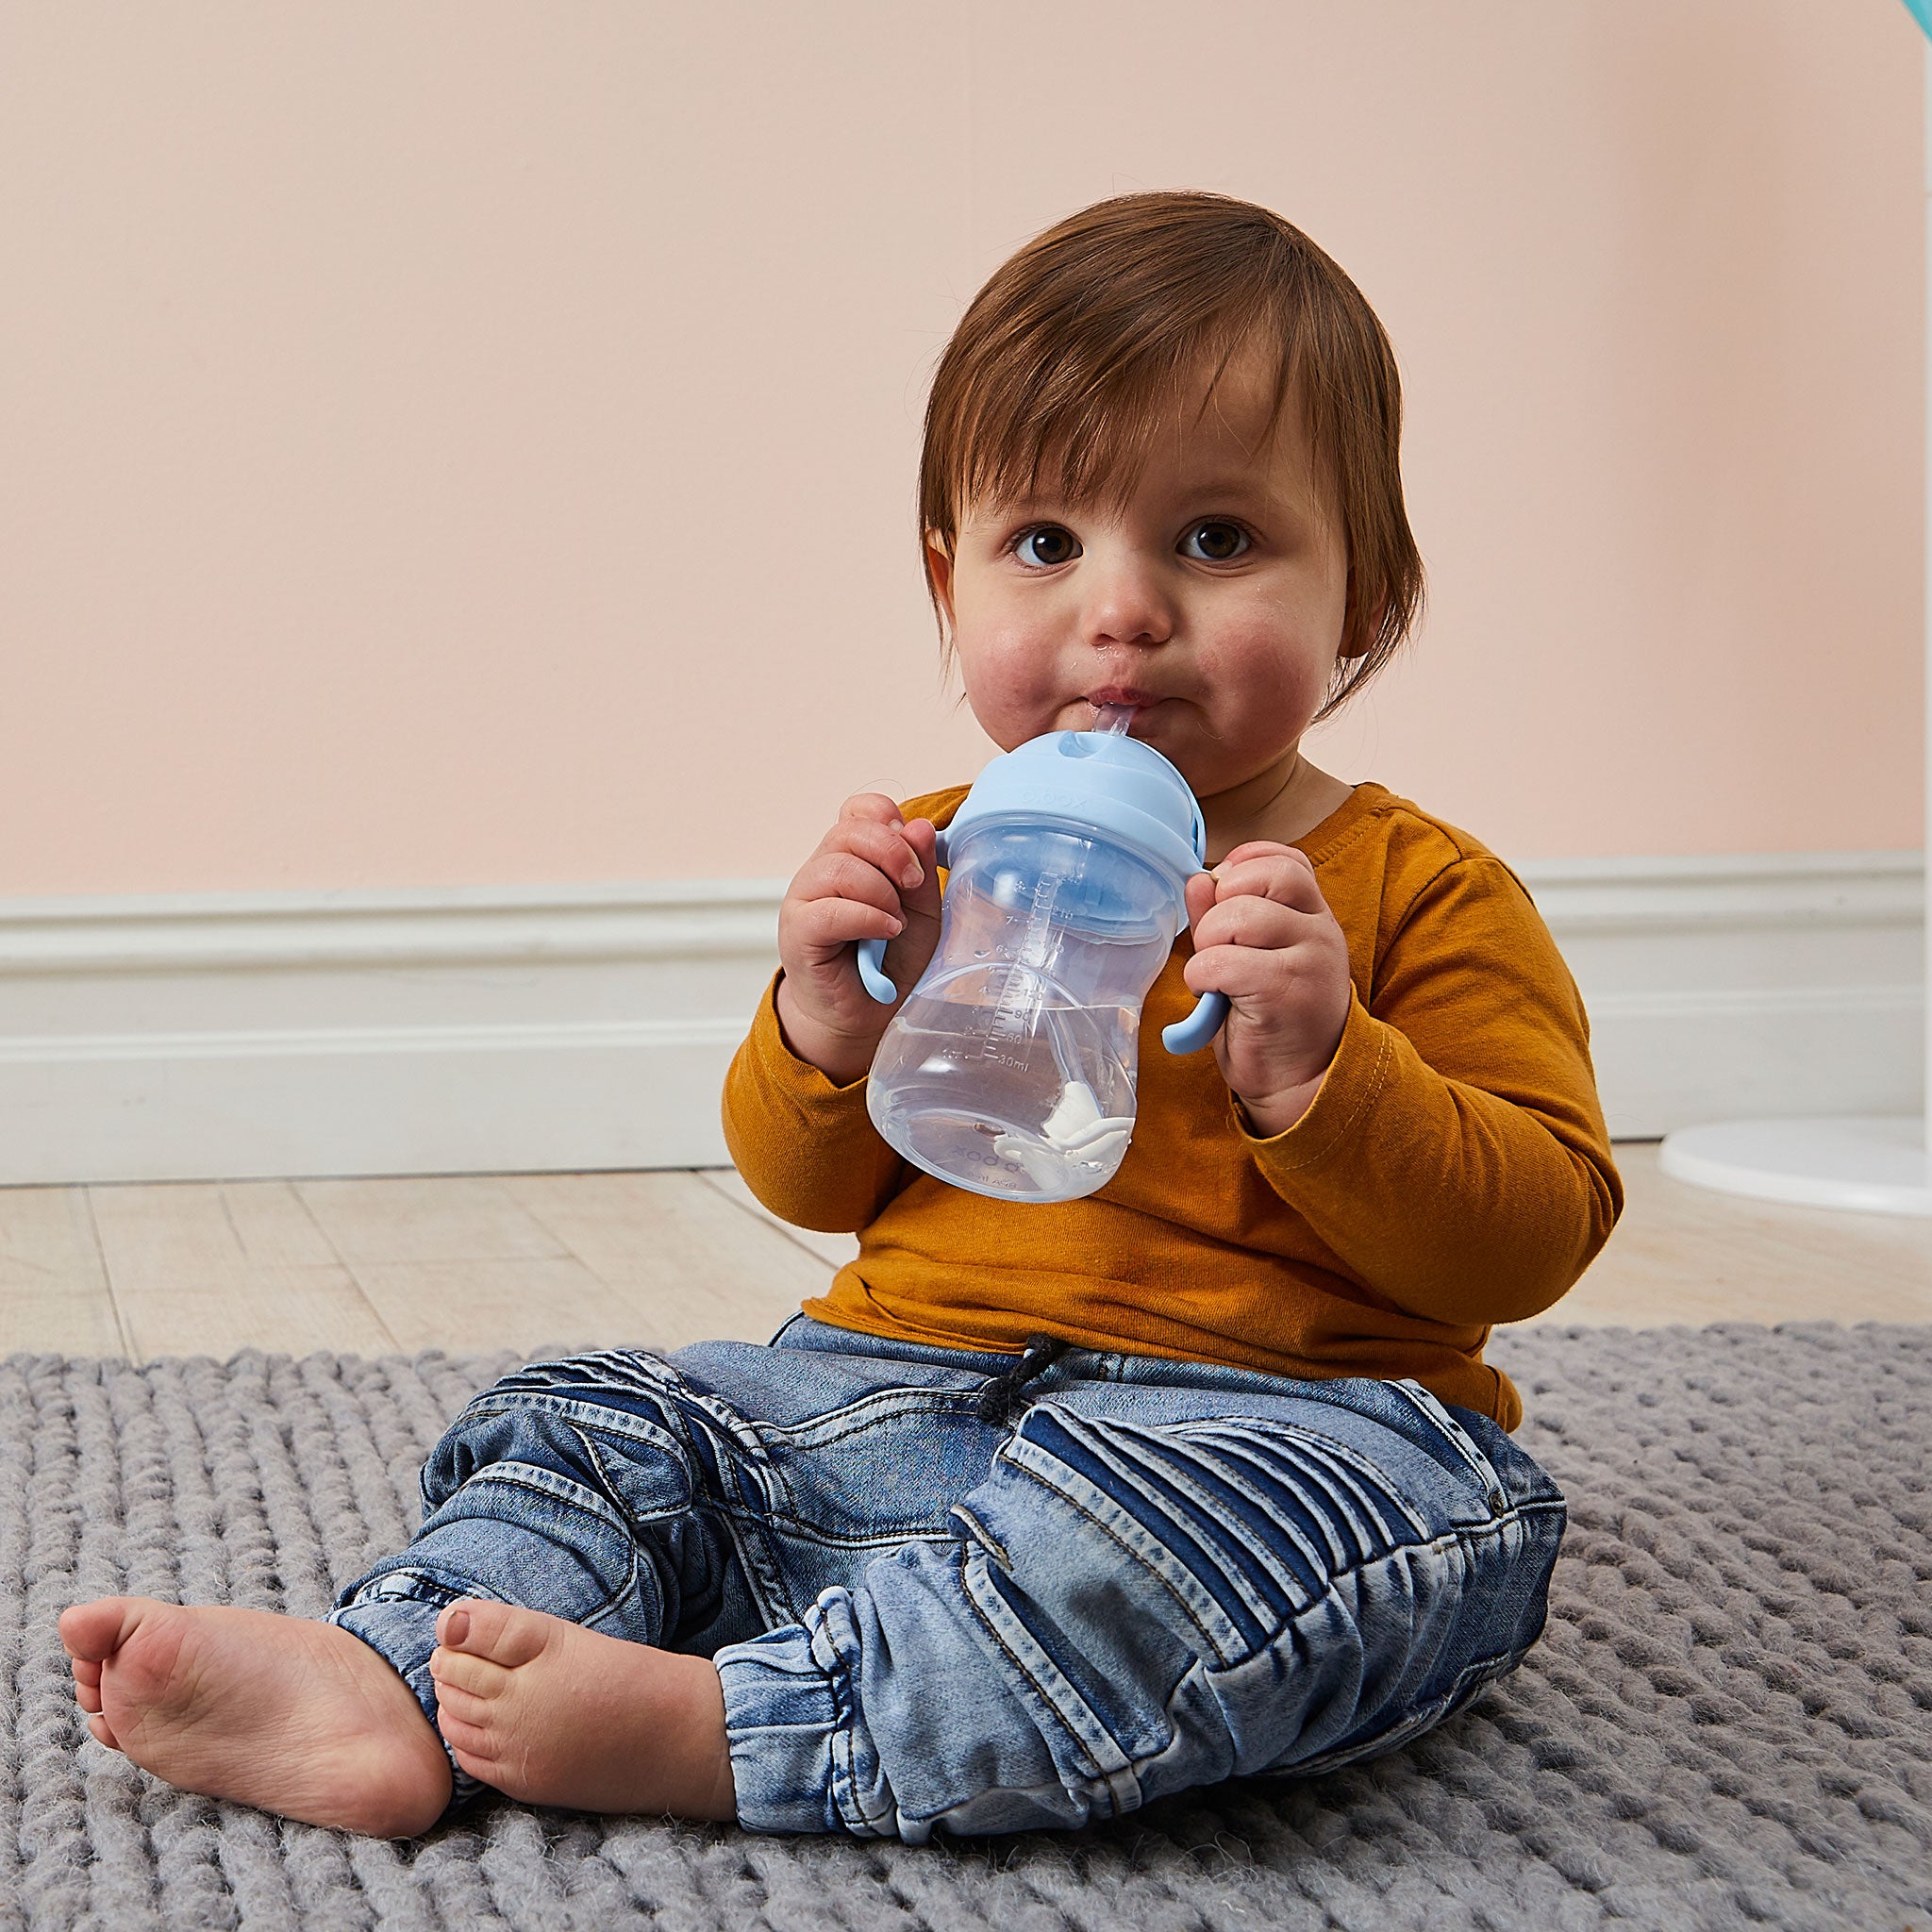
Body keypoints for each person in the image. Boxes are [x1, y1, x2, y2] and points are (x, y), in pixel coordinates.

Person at [59, 191, 1621, 1842]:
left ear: (1363, 599)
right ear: (948, 583)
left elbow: (1530, 1240)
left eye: (1217, 540)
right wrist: (825, 1020)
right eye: (1044, 543)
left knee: (1256, 1557)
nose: (1121, 608)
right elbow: (810, 1187)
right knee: (609, 1423)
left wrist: (1328, 1071)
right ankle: (385, 1675)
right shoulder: (945, 854)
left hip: (1261, 1428)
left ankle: (734, 1727)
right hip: (886, 1396)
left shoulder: (1415, 888)